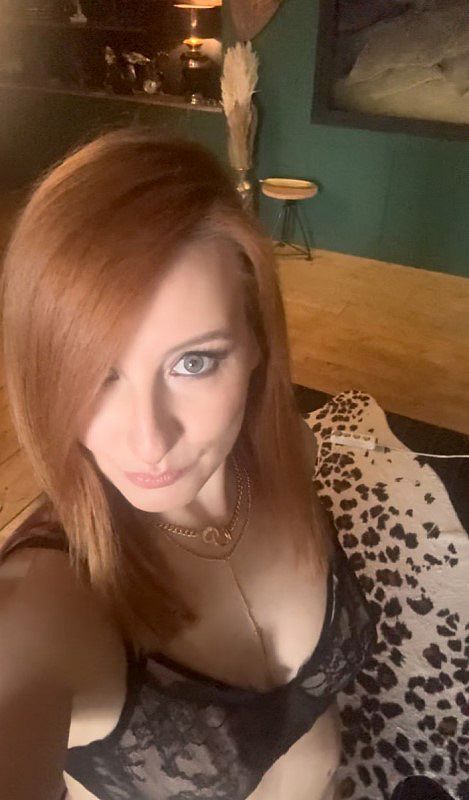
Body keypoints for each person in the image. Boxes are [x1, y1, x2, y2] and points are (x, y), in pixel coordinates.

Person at [0, 127, 377, 800]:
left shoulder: (288, 454)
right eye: (95, 373)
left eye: (193, 362)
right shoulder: (43, 604)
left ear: (256, 342)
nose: (149, 441)